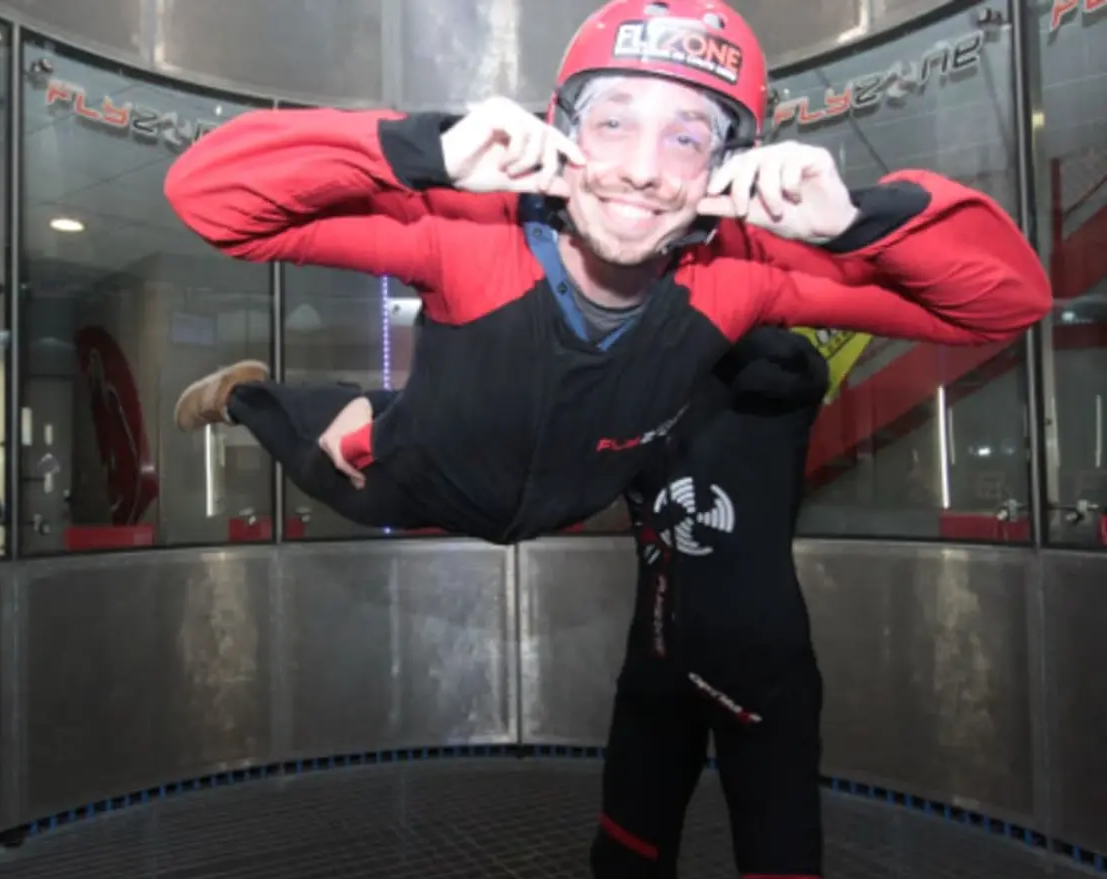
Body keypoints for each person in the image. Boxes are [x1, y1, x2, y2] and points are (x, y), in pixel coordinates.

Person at [164, 0, 1050, 546]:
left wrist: (858, 221)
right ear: (563, 134)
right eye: (614, 122)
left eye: (688, 135)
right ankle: (251, 397)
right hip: (414, 472)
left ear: (726, 169)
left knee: (378, 429)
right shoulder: (464, 233)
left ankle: (360, 417)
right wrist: (418, 149)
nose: (643, 167)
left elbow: (1004, 306)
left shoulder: (744, 274)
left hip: (570, 493)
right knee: (333, 455)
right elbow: (211, 200)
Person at [592, 326, 841, 879]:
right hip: (659, 664)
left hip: (757, 674)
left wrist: (709, 322)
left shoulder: (770, 370)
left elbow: (792, 368)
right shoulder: (631, 381)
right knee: (623, 863)